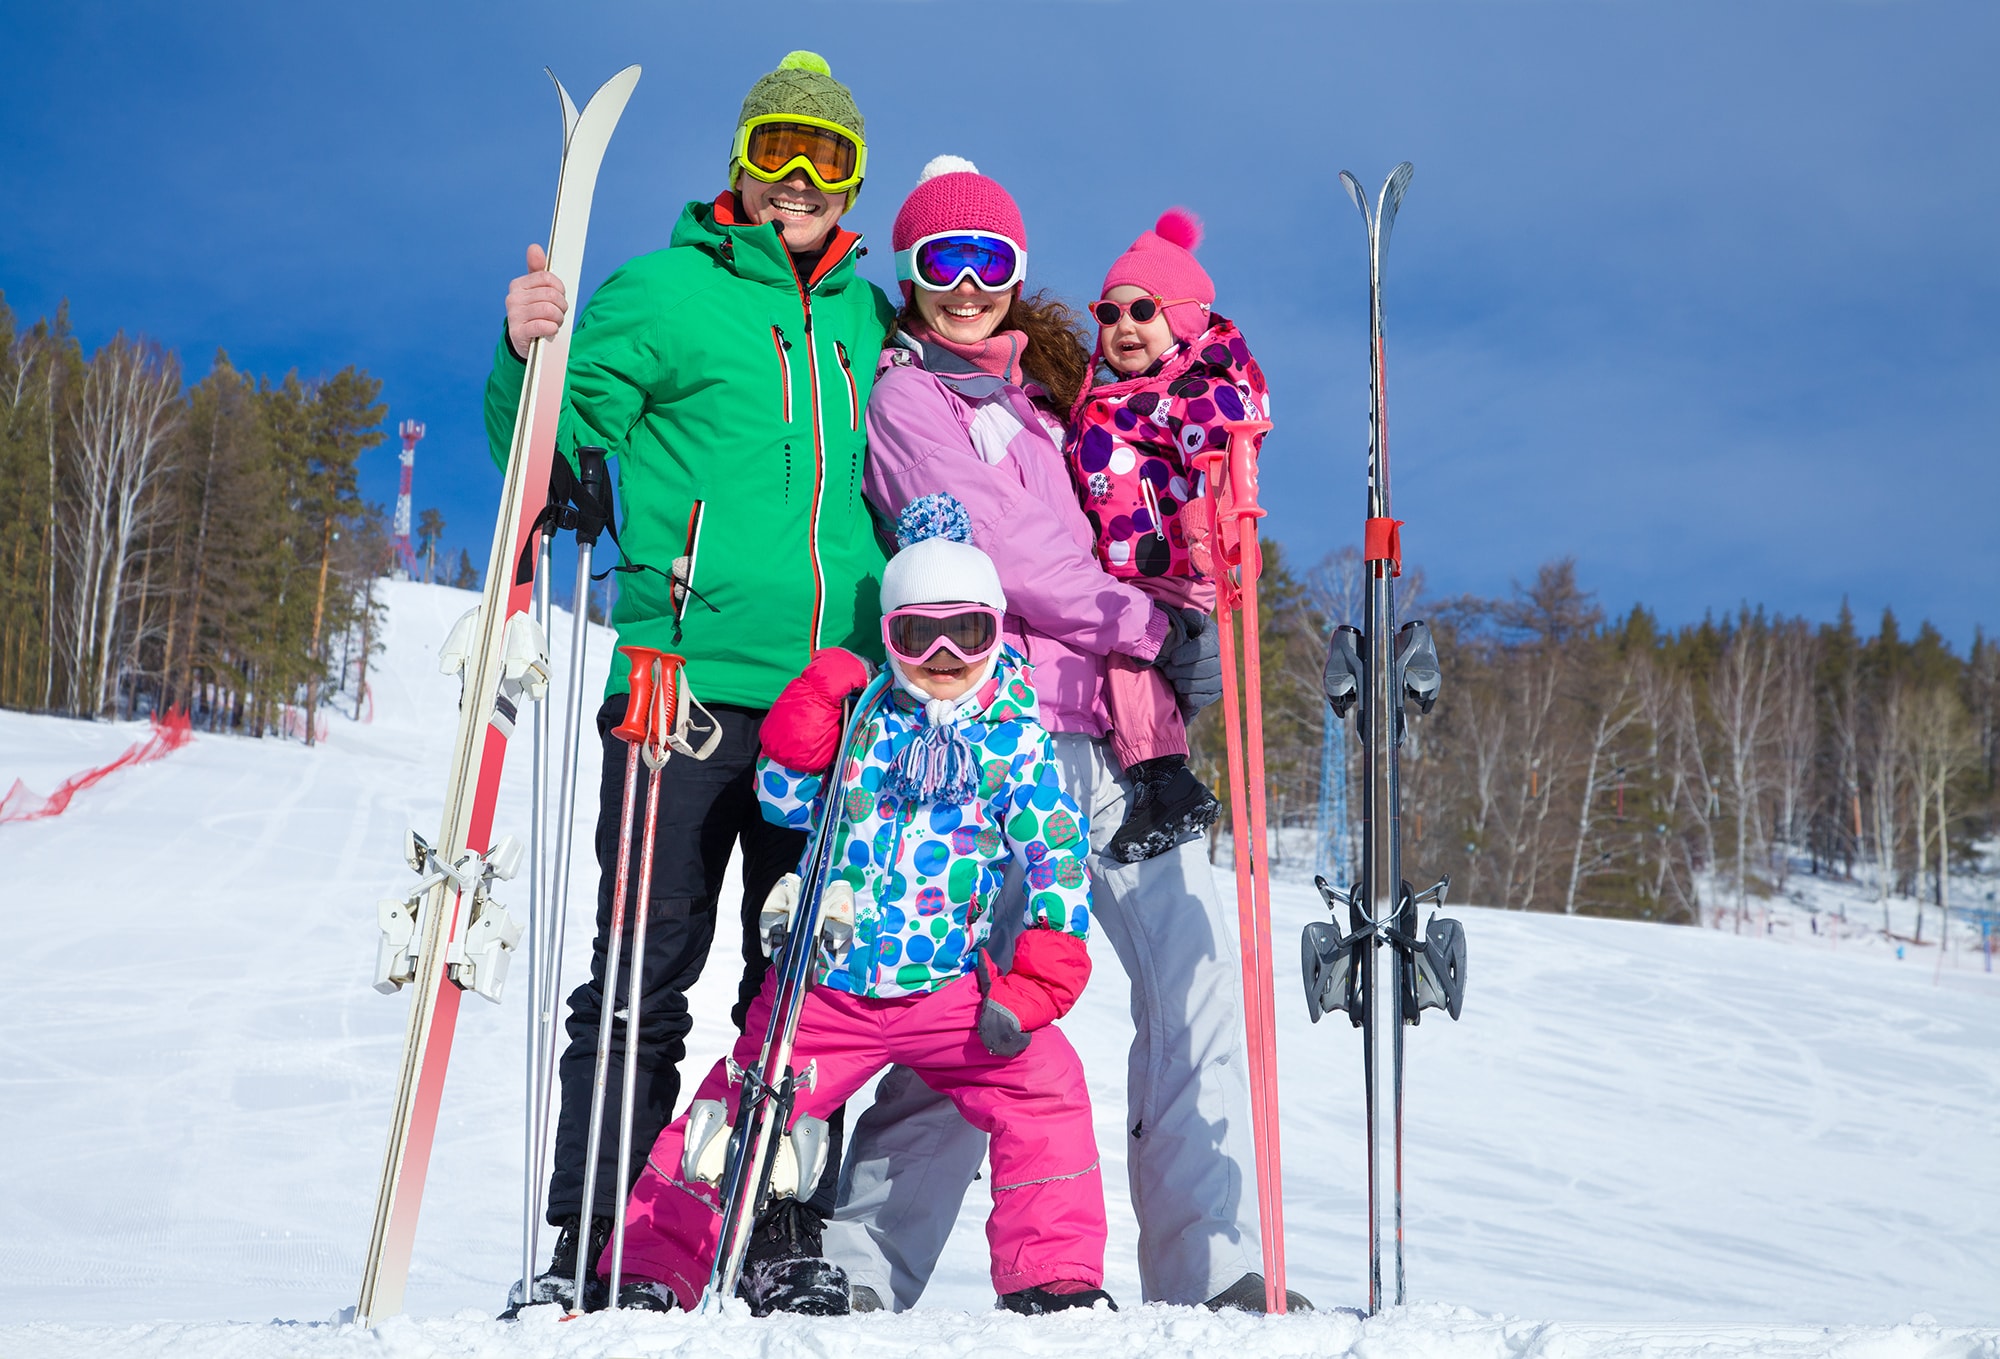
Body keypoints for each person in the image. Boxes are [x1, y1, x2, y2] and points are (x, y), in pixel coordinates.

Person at [827, 156, 1307, 1313]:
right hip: (998, 740)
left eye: (989, 261)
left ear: (1016, 274)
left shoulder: (1050, 407)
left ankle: (1214, 1269)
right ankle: (856, 1273)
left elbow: (1137, 485)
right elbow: (1010, 557)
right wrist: (1144, 621)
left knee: (1194, 980)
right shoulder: (909, 404)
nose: (966, 284)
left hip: (1116, 741)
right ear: (910, 272)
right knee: (977, 997)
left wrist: (1192, 548)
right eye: (942, 260)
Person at [483, 50, 896, 1314]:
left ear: (852, 180)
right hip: (680, 686)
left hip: (831, 709)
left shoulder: (874, 323)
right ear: (737, 163)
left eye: (823, 160)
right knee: (644, 969)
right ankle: (593, 1238)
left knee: (802, 991)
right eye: (774, 150)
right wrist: (521, 353)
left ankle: (774, 1231)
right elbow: (545, 428)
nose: (796, 182)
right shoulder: (663, 292)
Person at [608, 495, 1115, 1317]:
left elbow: (1055, 855)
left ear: (996, 630)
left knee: (1045, 1084)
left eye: (969, 634)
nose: (945, 656)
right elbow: (779, 801)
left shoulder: (1012, 732)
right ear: (890, 636)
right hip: (827, 990)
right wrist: (811, 716)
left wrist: (1036, 984)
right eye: (921, 635)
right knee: (737, 1106)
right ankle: (654, 1264)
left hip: (946, 992)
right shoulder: (867, 718)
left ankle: (1052, 1276)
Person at [1064, 207, 1271, 864]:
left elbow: (1222, 442)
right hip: (1118, 569)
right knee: (1121, 661)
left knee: (1131, 655)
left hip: (1172, 563)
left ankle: (1165, 779)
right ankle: (1151, 773)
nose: (1124, 326)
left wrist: (1213, 505)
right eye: (1109, 313)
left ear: (1181, 318)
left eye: (1143, 310)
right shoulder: (1102, 394)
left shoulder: (1189, 390)